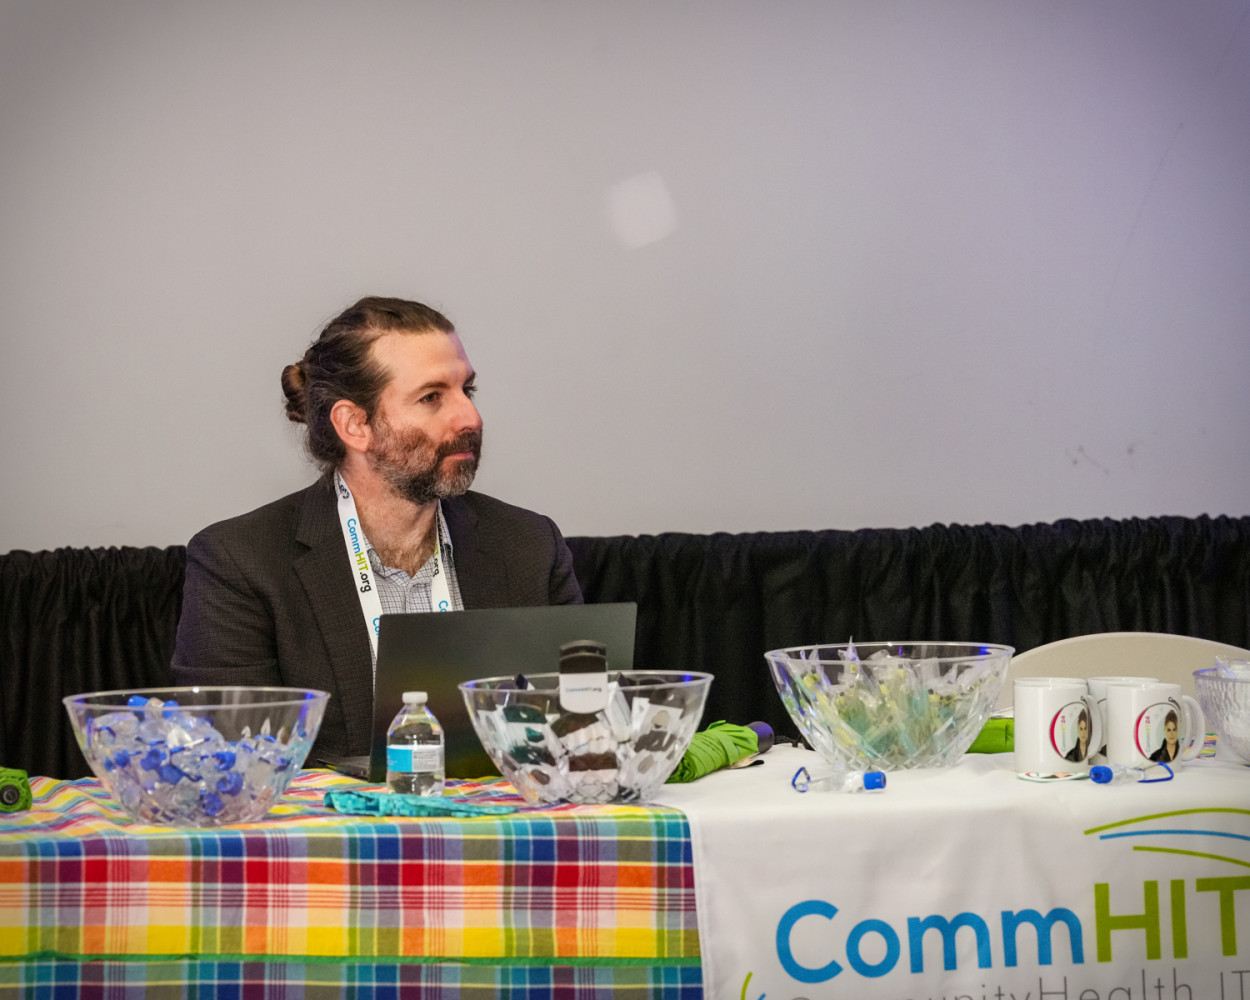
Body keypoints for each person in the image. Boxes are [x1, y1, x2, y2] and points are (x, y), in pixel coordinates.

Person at [173, 296, 583, 758]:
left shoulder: (529, 545)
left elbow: (583, 731)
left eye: (466, 390)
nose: (470, 418)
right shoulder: (240, 561)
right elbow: (232, 757)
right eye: (431, 397)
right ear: (354, 425)